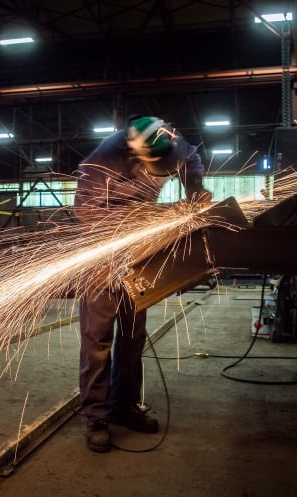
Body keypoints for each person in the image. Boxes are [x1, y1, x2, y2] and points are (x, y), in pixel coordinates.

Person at [73, 115, 212, 452]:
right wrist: (155, 217)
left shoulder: (169, 139)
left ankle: (124, 405)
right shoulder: (99, 165)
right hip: (101, 253)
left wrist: (194, 190)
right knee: (98, 339)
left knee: (133, 335)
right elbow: (86, 214)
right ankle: (97, 415)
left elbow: (191, 158)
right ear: (134, 151)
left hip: (140, 252)